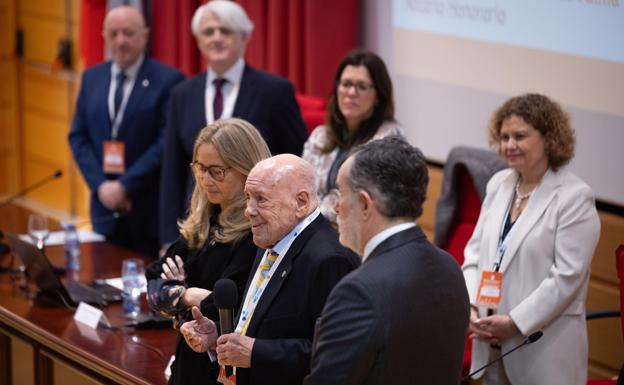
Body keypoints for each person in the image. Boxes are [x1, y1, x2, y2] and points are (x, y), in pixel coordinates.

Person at [180, 154, 360, 385]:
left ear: (301, 202)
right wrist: (218, 335)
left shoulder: (329, 259)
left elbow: (336, 356)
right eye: (248, 198)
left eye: (261, 199)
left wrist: (256, 353)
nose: (249, 210)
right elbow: (267, 326)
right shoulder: (273, 235)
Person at [304, 137, 470, 385]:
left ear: (364, 203)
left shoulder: (357, 291)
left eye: (340, 192)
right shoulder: (450, 267)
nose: (336, 207)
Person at [462, 93, 601, 385]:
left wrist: (513, 323)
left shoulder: (574, 197)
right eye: (504, 136)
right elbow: (474, 256)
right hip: (489, 346)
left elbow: (566, 278)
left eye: (520, 136)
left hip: (542, 353)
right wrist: (473, 306)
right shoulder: (498, 184)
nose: (509, 145)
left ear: (549, 138)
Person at [160, 0, 308, 245]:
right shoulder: (181, 94)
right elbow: (172, 171)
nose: (217, 38)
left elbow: (295, 161)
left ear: (244, 37)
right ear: (198, 40)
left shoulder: (275, 91)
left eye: (225, 30)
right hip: (198, 229)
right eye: (208, 32)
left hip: (256, 230)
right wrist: (167, 238)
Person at [145, 118, 271, 385]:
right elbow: (154, 284)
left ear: (247, 170)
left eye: (217, 171)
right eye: (200, 168)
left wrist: (180, 294)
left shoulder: (256, 234)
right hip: (187, 364)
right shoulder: (206, 220)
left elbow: (231, 308)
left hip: (225, 372)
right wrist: (191, 295)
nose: (205, 179)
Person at [68, 5, 184, 257]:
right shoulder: (92, 77)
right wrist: (101, 186)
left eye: (128, 33)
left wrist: (125, 185)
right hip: (103, 209)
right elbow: (78, 136)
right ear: (104, 37)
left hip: (146, 209)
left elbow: (166, 142)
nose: (120, 41)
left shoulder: (169, 80)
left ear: (144, 35)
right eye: (113, 34)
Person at [302, 49, 403, 224]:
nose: (351, 93)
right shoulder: (321, 135)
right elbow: (301, 188)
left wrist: (308, 213)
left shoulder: (388, 140)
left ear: (378, 95)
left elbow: (358, 204)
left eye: (362, 87)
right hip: (314, 228)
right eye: (346, 84)